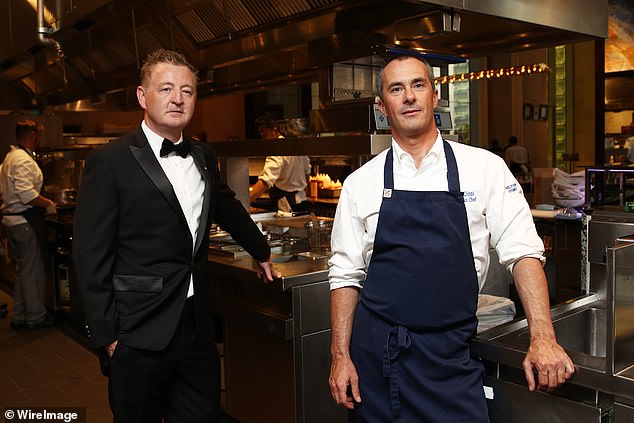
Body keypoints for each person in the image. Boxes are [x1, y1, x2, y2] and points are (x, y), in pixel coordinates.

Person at [328, 55, 575, 422]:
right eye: (396, 89)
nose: (408, 96)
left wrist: (543, 336)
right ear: (383, 107)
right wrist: (340, 355)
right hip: (378, 361)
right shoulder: (360, 184)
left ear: (435, 95)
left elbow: (522, 252)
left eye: (418, 85)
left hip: (452, 357)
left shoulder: (484, 168)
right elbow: (345, 275)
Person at [73, 49, 279, 423]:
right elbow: (90, 255)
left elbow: (226, 205)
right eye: (166, 88)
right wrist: (108, 337)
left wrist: (261, 250)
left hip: (196, 327)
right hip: (137, 330)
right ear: (142, 96)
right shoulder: (110, 161)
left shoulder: (202, 154)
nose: (177, 98)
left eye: (187, 91)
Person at [0, 119, 57, 330]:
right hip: (24, 221)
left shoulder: (10, 156)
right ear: (33, 136)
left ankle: (20, 314)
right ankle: (35, 317)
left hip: (11, 220)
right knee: (32, 270)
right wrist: (49, 204)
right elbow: (26, 194)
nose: (40, 140)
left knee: (22, 270)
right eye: (39, 136)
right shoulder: (22, 160)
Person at [249, 112, 311, 212]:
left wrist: (245, 200)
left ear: (275, 129)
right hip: (302, 202)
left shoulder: (277, 149)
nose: (263, 137)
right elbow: (307, 172)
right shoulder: (295, 143)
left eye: (264, 133)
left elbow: (266, 181)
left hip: (287, 206)